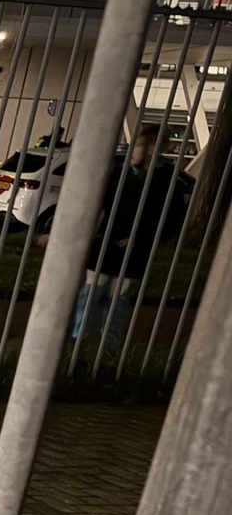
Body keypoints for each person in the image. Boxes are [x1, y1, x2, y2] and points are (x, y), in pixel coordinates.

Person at [61, 124, 192, 352]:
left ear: (152, 149)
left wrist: (140, 238)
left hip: (135, 252)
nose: (133, 152)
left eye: (139, 147)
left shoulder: (167, 181)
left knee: (117, 301)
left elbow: (171, 220)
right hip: (105, 243)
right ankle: (77, 340)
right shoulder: (120, 174)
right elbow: (99, 204)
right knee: (90, 292)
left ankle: (109, 348)